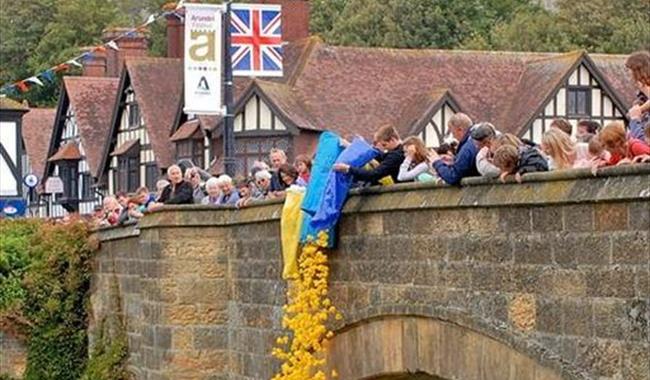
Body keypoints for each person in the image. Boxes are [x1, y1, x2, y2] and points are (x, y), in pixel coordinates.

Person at [333, 125, 404, 184]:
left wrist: (348, 169)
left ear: (392, 140)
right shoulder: (400, 151)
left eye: (384, 145)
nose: (385, 148)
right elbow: (380, 157)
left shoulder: (395, 156)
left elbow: (374, 174)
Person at [429, 113, 479, 185]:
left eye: (453, 133)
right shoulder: (475, 140)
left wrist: (437, 162)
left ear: (459, 130)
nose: (454, 137)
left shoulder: (467, 148)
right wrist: (455, 160)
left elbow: (453, 177)